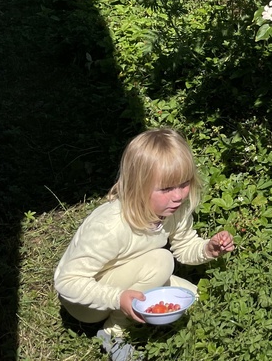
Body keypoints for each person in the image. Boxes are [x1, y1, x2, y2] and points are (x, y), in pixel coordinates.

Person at [54, 128, 235, 360]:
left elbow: (183, 245)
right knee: (161, 260)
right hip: (88, 304)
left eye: (184, 184)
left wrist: (207, 249)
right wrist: (117, 298)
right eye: (166, 188)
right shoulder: (110, 226)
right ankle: (112, 334)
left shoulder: (173, 210)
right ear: (137, 186)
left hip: (134, 274)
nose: (178, 196)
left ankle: (135, 303)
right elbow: (66, 282)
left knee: (196, 300)